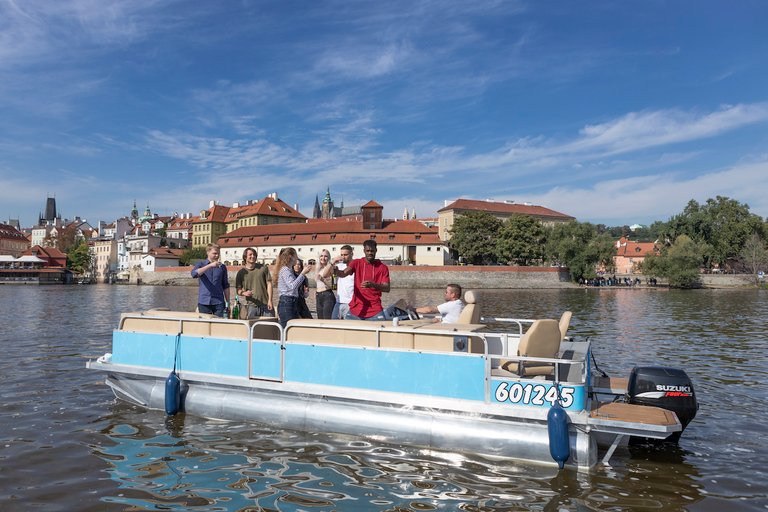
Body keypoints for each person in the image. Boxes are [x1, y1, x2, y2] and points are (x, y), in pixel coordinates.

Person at [333, 240, 390, 320]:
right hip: (356, 310)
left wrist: (373, 285)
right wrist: (336, 271)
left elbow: (387, 288)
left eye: (372, 251)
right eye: (367, 251)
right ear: (364, 251)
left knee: (383, 329)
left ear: (376, 251)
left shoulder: (382, 267)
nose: (370, 253)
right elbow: (343, 273)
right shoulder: (357, 263)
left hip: (375, 309)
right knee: (346, 331)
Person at [273, 248, 312, 328]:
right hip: (287, 303)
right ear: (291, 257)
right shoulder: (285, 270)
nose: (297, 258)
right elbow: (292, 286)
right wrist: (303, 274)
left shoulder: (288, 270)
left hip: (291, 302)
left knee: (294, 328)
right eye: (296, 255)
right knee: (289, 329)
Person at [191, 243, 230, 317]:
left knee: (219, 325)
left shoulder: (222, 267)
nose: (217, 256)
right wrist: (210, 266)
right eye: (214, 253)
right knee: (204, 326)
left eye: (218, 253)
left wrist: (228, 303)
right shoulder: (201, 265)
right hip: (204, 302)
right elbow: (194, 274)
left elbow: (226, 285)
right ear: (208, 253)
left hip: (219, 302)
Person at [235, 247, 274, 318]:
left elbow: (269, 284)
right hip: (251, 306)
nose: (252, 256)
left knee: (270, 327)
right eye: (250, 254)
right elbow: (238, 290)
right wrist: (244, 293)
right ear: (245, 257)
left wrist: (270, 300)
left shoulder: (263, 268)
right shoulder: (241, 273)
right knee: (251, 327)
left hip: (266, 304)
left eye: (254, 255)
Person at [331, 245, 354, 319]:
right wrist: (333, 262)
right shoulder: (338, 266)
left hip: (350, 303)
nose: (343, 257)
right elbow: (325, 274)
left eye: (346, 255)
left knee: (348, 327)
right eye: (341, 255)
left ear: (351, 254)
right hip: (339, 302)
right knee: (333, 325)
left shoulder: (355, 267)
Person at [314, 249, 335, 319]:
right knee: (320, 320)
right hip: (318, 296)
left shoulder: (330, 268)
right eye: (321, 256)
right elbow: (318, 284)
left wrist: (323, 280)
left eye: (325, 256)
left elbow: (333, 286)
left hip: (327, 296)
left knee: (327, 320)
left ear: (329, 258)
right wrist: (316, 291)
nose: (323, 258)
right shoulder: (318, 269)